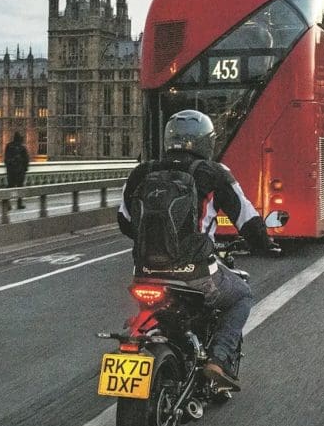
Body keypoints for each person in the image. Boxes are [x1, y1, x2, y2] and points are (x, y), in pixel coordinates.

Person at [117, 110, 278, 391]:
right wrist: (263, 243)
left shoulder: (142, 172)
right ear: (207, 142)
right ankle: (218, 360)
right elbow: (247, 219)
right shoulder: (213, 173)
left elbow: (124, 221)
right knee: (241, 296)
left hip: (145, 273)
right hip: (195, 273)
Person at [4, 132, 30, 209]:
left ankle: (8, 204)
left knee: (10, 186)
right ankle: (19, 203)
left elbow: (6, 159)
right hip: (19, 171)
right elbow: (26, 159)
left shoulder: (9, 146)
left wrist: (9, 166)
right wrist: (25, 169)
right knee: (20, 187)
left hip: (11, 170)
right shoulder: (22, 147)